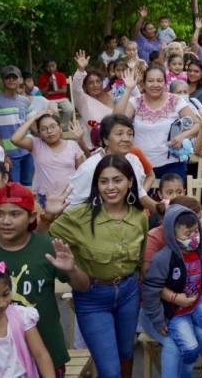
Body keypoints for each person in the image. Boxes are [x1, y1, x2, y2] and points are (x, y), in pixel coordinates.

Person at [0, 182, 88, 374]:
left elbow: (83, 286)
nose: (6, 221)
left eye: (15, 214)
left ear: (31, 217)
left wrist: (72, 270)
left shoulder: (47, 246)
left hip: (46, 351)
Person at [46, 154, 149, 378]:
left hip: (129, 293)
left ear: (130, 181)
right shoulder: (79, 216)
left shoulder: (139, 216)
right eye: (104, 181)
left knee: (126, 354)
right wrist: (47, 216)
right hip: (93, 298)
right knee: (110, 371)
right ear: (96, 185)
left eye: (117, 180)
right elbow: (39, 239)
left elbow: (141, 260)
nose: (110, 187)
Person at [142, 206, 202, 378]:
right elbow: (150, 289)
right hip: (175, 311)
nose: (194, 237)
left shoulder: (200, 253)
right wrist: (158, 320)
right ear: (173, 234)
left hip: (198, 302)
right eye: (188, 234)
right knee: (190, 349)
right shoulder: (164, 258)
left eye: (196, 231)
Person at [115, 66, 200, 179]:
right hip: (139, 164)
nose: (155, 85)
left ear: (165, 83)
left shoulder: (176, 101)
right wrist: (128, 89)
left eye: (159, 81)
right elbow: (116, 120)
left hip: (171, 164)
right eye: (150, 81)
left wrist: (183, 136)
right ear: (143, 84)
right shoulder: (136, 101)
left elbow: (197, 124)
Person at [67, 114, 155, 209]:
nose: (126, 139)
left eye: (130, 134)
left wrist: (160, 209)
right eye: (119, 134)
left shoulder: (134, 160)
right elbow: (72, 203)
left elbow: (140, 192)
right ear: (106, 140)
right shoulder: (90, 167)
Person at [10, 113, 85, 205]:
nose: (49, 131)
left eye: (53, 126)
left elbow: (82, 173)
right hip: (44, 198)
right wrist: (34, 118)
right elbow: (15, 139)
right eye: (43, 129)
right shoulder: (36, 144)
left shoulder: (72, 145)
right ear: (39, 133)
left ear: (60, 128)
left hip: (70, 196)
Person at [0, 65, 33, 185]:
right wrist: (3, 155)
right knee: (13, 187)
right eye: (7, 78)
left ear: (20, 80)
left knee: (28, 185)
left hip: (27, 151)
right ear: (1, 81)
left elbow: (31, 126)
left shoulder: (25, 101)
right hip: (9, 155)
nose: (11, 80)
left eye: (14, 77)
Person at [71, 50, 117, 144]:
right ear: (85, 86)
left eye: (98, 81)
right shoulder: (82, 100)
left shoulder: (113, 94)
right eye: (90, 83)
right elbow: (76, 88)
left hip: (117, 140)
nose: (95, 85)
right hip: (94, 145)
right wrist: (81, 70)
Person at [36, 59, 75, 130]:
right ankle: (57, 127)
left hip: (62, 98)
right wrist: (48, 83)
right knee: (54, 111)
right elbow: (42, 92)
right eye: (48, 66)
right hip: (50, 99)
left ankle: (62, 127)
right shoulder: (42, 77)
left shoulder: (61, 75)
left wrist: (51, 92)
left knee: (70, 109)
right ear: (45, 67)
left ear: (56, 65)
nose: (51, 68)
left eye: (53, 66)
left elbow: (64, 90)